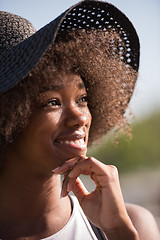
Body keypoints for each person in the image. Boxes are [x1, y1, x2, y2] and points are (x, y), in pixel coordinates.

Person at [0, 1, 159, 239]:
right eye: (52, 102)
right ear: (7, 117)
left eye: (82, 99)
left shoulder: (132, 226)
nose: (79, 117)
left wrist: (118, 232)